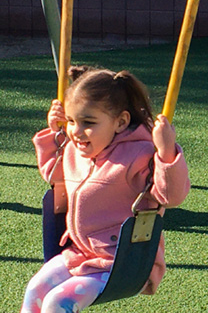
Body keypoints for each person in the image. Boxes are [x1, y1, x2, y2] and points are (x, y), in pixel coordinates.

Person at [21, 66, 190, 312]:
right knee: (36, 288)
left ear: (121, 122)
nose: (76, 131)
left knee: (59, 301)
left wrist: (166, 152)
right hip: (80, 254)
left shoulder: (139, 155)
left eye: (88, 122)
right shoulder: (73, 149)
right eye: (71, 120)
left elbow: (171, 196)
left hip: (123, 264)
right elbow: (53, 175)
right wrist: (54, 132)